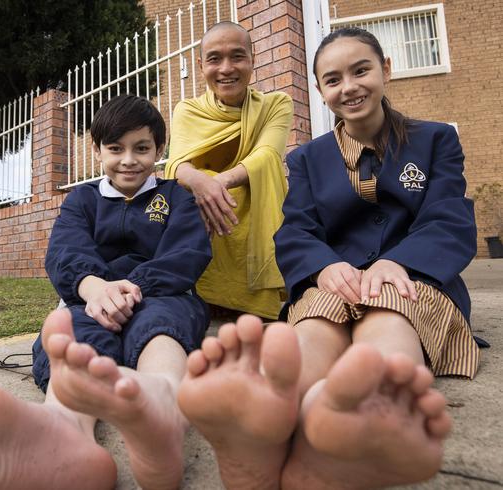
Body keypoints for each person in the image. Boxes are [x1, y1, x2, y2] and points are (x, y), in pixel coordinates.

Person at [178, 27, 466, 489]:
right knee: (313, 325)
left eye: (361, 71)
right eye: (333, 79)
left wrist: (402, 261)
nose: (348, 87)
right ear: (320, 90)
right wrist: (324, 266)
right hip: (335, 276)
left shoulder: (435, 141)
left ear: (386, 70)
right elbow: (296, 228)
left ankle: (366, 405)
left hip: (414, 277)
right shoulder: (308, 158)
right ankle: (273, 408)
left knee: (390, 318)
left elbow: (448, 218)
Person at [0, 94, 212, 490]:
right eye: (115, 149)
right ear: (97, 150)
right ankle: (66, 433)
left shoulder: (176, 197)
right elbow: (65, 252)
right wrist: (95, 288)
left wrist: (133, 287)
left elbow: (187, 252)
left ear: (160, 149)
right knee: (72, 338)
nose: (128, 160)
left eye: (142, 148)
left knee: (161, 328)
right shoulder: (82, 200)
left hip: (162, 293)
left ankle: (162, 409)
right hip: (89, 298)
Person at [165, 21, 293, 320]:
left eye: (237, 56)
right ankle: (204, 295)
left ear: (252, 59)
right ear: (200, 65)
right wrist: (201, 182)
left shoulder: (277, 104)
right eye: (214, 59)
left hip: (250, 210)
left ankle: (254, 300)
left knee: (211, 182)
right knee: (192, 187)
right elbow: (176, 165)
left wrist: (214, 184)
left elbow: (267, 156)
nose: (226, 68)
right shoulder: (188, 109)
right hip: (203, 219)